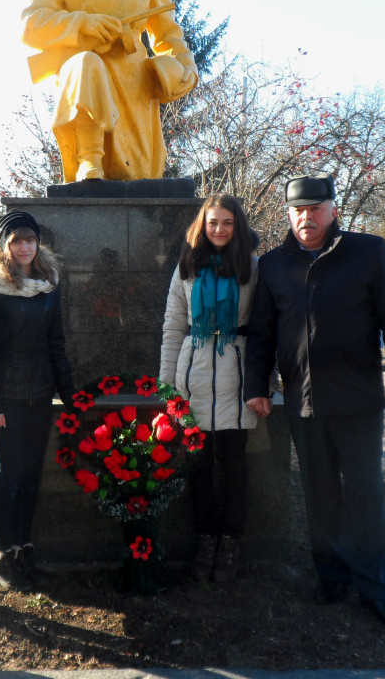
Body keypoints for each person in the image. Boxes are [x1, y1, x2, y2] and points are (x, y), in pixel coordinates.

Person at [244, 175, 385, 629]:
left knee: (366, 494)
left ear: (333, 210)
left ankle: (376, 587)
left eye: (315, 208)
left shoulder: (367, 252)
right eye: (298, 210)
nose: (306, 217)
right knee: (320, 494)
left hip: (357, 399)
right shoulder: (272, 265)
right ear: (288, 214)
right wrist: (256, 385)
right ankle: (331, 575)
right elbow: (262, 334)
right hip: (303, 401)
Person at [21, 0, 198, 182]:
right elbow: (30, 25)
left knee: (138, 177)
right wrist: (83, 24)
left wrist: (185, 68)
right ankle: (89, 157)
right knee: (86, 62)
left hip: (133, 86)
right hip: (80, 79)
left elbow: (169, 35)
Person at [159, 194, 259, 584]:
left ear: (238, 226)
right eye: (213, 222)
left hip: (237, 378)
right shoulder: (186, 267)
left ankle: (230, 542)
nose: (219, 229)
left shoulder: (252, 267)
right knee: (199, 469)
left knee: (235, 468)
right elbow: (173, 327)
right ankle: (204, 541)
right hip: (194, 378)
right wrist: (167, 389)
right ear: (202, 225)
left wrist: (263, 384)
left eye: (227, 222)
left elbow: (264, 329)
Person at [0, 210, 76, 592]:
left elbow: (56, 342)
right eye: (16, 240)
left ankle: (22, 550)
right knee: (9, 477)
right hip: (6, 399)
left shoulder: (49, 284)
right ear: (5, 246)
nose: (24, 247)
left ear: (38, 244)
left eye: (29, 239)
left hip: (40, 395)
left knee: (31, 476)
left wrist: (69, 393)